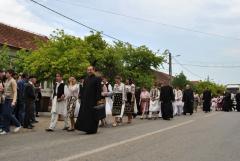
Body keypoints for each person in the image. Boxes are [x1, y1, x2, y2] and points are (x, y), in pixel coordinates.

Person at [75, 66, 102, 134]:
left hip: (93, 100)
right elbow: (83, 89)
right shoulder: (86, 79)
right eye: (88, 70)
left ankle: (92, 129)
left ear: (93, 70)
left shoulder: (97, 78)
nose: (89, 71)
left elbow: (99, 90)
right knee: (86, 115)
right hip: (85, 100)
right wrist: (80, 97)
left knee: (92, 115)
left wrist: (98, 100)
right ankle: (86, 128)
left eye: (90, 70)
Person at [0, 69, 21, 135]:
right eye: (5, 73)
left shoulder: (13, 81)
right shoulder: (6, 80)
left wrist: (14, 101)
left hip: (11, 100)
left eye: (7, 73)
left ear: (10, 74)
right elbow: (6, 90)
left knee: (9, 114)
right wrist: (2, 90)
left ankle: (18, 125)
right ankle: (6, 129)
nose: (5, 74)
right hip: (6, 99)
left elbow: (15, 92)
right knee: (4, 114)